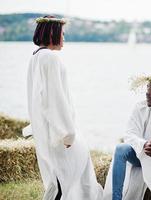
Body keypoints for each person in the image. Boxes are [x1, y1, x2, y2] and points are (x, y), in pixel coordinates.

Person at [23, 15, 103, 200]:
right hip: (58, 133)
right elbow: (54, 99)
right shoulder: (49, 58)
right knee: (68, 178)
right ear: (53, 33)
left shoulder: (36, 57)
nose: (64, 38)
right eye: (63, 34)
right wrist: (67, 133)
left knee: (62, 177)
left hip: (49, 129)